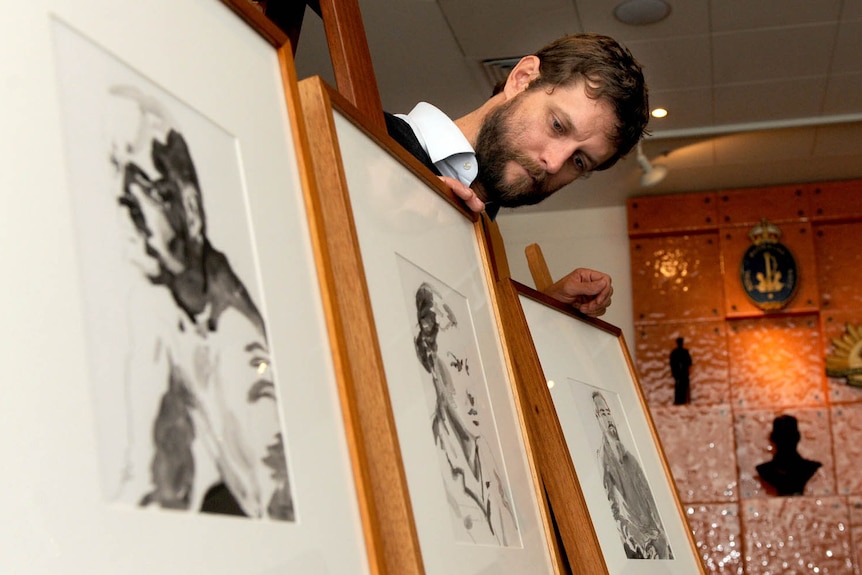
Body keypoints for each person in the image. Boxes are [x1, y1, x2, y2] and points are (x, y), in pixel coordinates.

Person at [385, 33, 650, 317]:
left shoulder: (483, 242)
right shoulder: (361, 138)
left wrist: (545, 310)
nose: (554, 163)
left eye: (579, 161)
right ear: (522, 79)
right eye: (558, 125)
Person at [592, 391, 673, 560]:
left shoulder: (628, 453)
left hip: (659, 533)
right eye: (602, 414)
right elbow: (613, 509)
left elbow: (648, 493)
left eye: (608, 413)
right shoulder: (603, 457)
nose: (608, 419)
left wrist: (662, 531)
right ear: (597, 418)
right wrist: (638, 539)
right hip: (641, 541)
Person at [756, 414, 822, 496]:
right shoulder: (765, 470)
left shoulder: (810, 468)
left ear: (797, 437)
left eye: (788, 436)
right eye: (782, 437)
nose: (785, 441)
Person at [669, 337, 692, 404]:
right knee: (680, 387)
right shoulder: (681, 352)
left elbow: (689, 362)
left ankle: (683, 401)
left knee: (681, 387)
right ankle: (682, 401)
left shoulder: (677, 352)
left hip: (681, 374)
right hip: (680, 374)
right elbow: (672, 364)